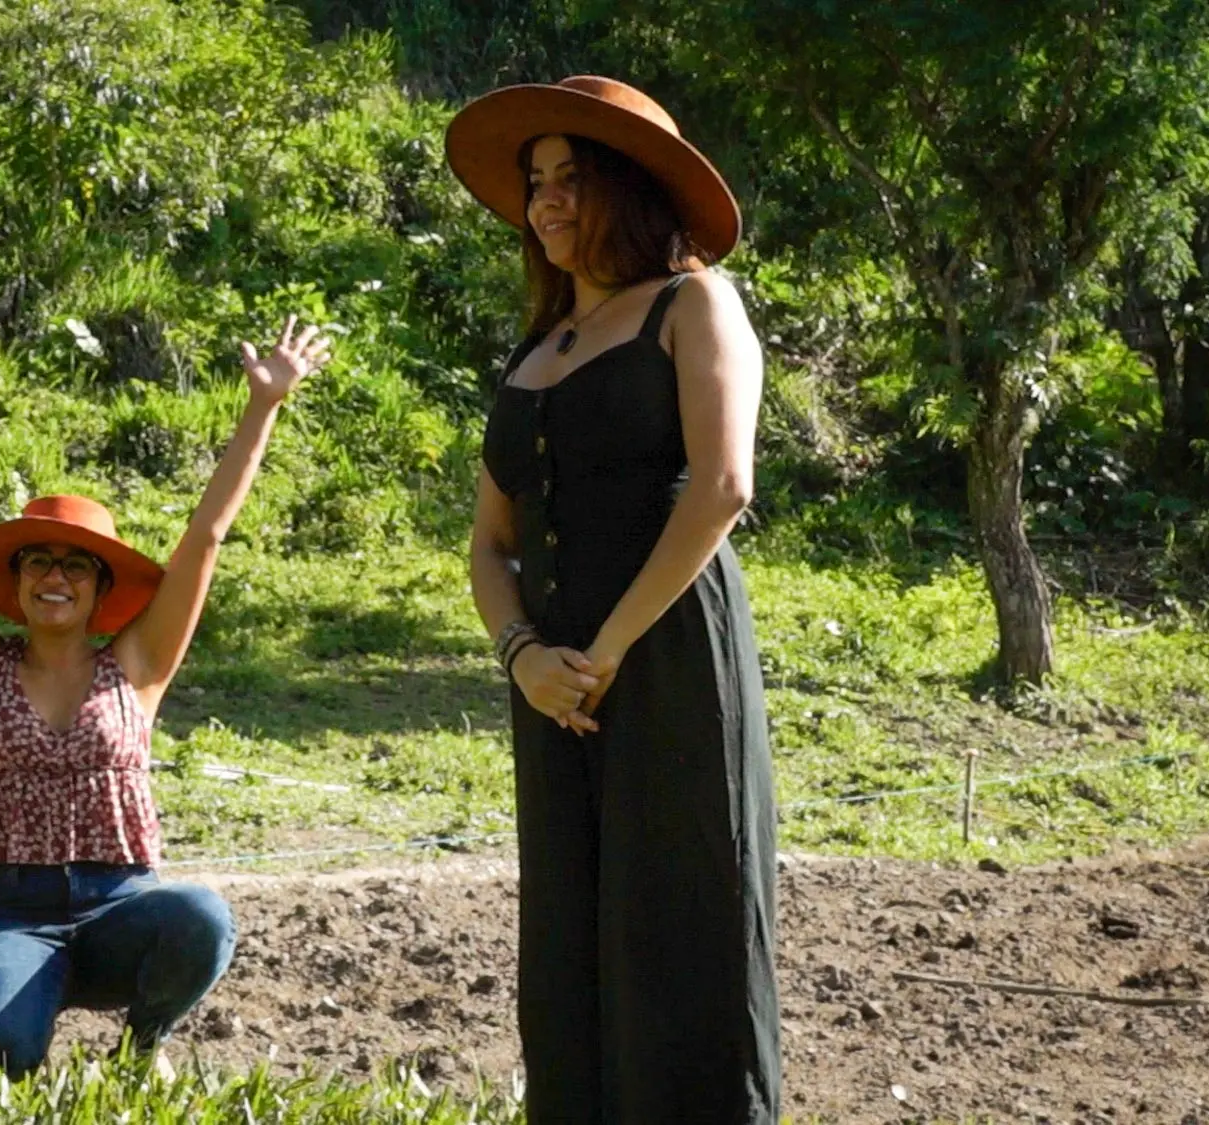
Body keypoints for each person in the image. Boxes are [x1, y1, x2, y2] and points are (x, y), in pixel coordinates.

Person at [448, 76, 781, 1120]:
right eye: (534, 181)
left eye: (570, 178)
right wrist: (524, 659)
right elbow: (486, 548)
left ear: (627, 188)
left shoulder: (693, 303)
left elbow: (723, 486)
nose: (544, 200)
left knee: (682, 920)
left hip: (667, 663)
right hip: (550, 689)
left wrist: (601, 649)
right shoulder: (531, 352)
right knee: (569, 934)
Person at [0, 301, 331, 1075]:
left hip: (123, 904)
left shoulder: (138, 667)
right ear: (17, 582)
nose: (54, 575)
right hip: (14, 913)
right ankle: (23, 1004)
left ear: (100, 587)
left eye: (75, 564)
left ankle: (143, 1039)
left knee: (202, 918)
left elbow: (205, 538)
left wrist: (264, 404)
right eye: (37, 561)